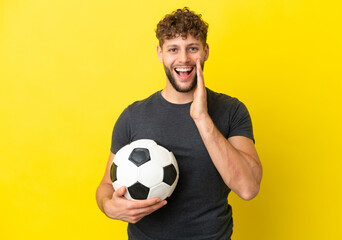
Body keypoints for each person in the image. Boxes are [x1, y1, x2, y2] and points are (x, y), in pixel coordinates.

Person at [96, 7, 262, 240]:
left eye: (192, 48)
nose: (183, 59)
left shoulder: (231, 111)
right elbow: (105, 185)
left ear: (205, 51)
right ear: (160, 53)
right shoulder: (133, 116)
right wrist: (107, 205)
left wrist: (202, 118)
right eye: (173, 49)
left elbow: (248, 188)